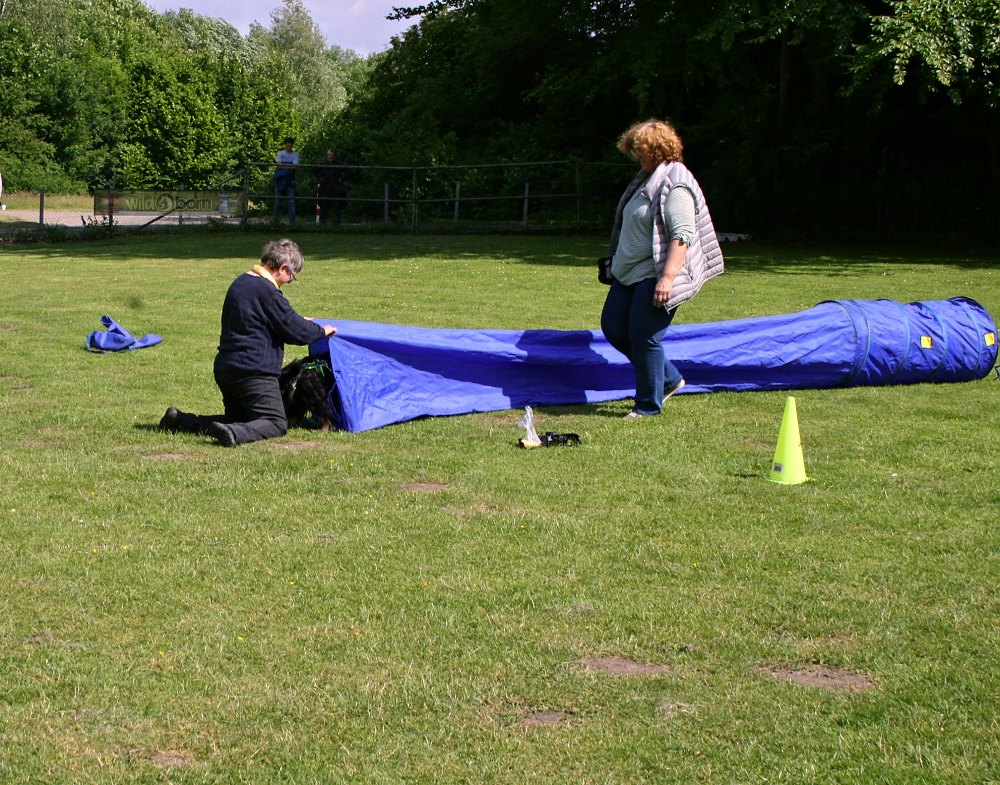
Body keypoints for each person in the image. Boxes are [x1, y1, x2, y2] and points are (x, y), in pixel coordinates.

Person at [600, 118, 724, 419]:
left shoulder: (675, 182)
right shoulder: (645, 178)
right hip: (628, 273)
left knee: (645, 338)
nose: (636, 155)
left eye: (641, 150)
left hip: (656, 274)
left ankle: (647, 406)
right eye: (634, 150)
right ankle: (668, 379)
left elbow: (682, 235)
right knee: (614, 328)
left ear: (658, 150)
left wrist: (666, 279)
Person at [159, 239, 337, 447]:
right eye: (291, 277)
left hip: (227, 370)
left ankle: (181, 421)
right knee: (276, 423)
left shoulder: (241, 282)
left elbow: (275, 319)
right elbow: (295, 331)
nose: (289, 281)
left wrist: (299, 320)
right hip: (253, 372)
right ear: (283, 268)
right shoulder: (267, 291)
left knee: (244, 419)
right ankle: (234, 434)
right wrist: (321, 331)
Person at [314, 149, 347, 226]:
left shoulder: (339, 164)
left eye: (332, 155)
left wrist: (342, 178)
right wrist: (320, 178)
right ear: (327, 156)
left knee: (336, 206)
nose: (330, 157)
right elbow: (314, 170)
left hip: (335, 189)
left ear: (334, 156)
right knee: (323, 206)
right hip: (325, 188)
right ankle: (322, 225)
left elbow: (348, 171)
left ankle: (336, 225)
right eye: (329, 155)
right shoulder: (323, 164)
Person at [272, 137, 299, 226]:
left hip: (290, 181)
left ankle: (293, 224)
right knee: (277, 201)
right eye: (287, 143)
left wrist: (284, 165)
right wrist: (289, 165)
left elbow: (295, 167)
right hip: (280, 180)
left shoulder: (295, 154)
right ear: (285, 144)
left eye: (290, 143)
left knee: (291, 202)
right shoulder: (280, 153)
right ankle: (275, 222)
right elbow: (278, 165)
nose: (289, 145)